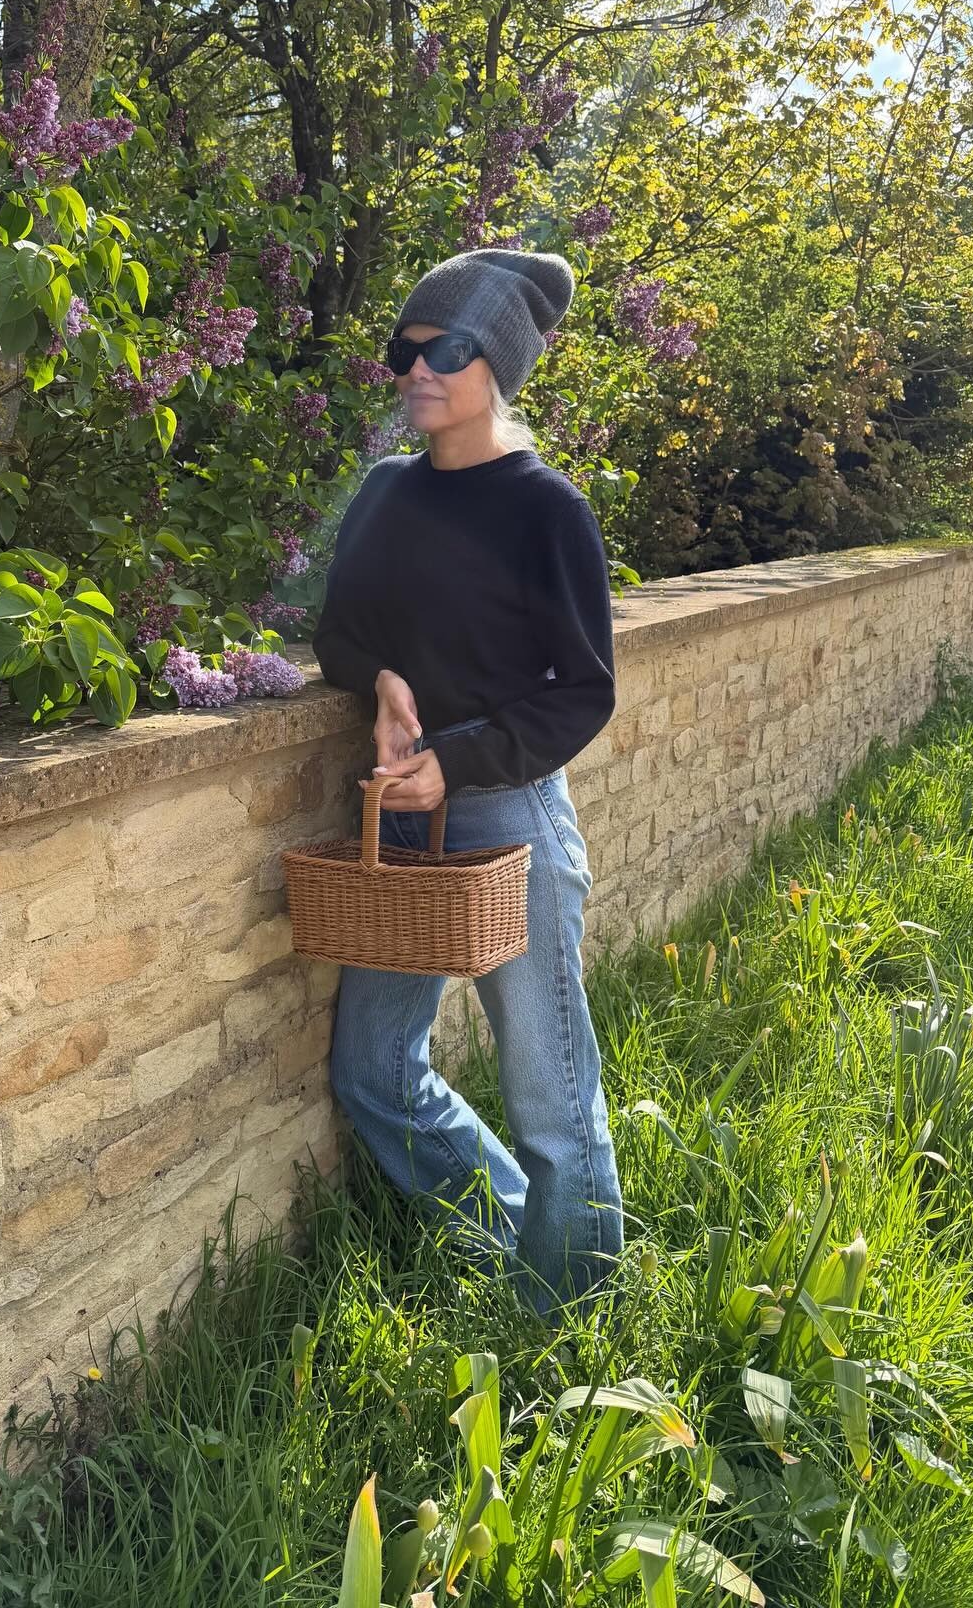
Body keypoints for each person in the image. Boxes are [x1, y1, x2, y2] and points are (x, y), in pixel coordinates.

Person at [311, 245, 623, 1312]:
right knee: (373, 1071)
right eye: (403, 349)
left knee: (552, 1097)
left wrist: (462, 758)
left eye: (442, 348)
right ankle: (514, 1237)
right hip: (396, 819)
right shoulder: (386, 494)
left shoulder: (547, 510)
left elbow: (582, 693)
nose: (414, 368)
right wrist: (384, 679)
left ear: (501, 362)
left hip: (508, 817)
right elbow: (337, 635)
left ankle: (571, 1319)